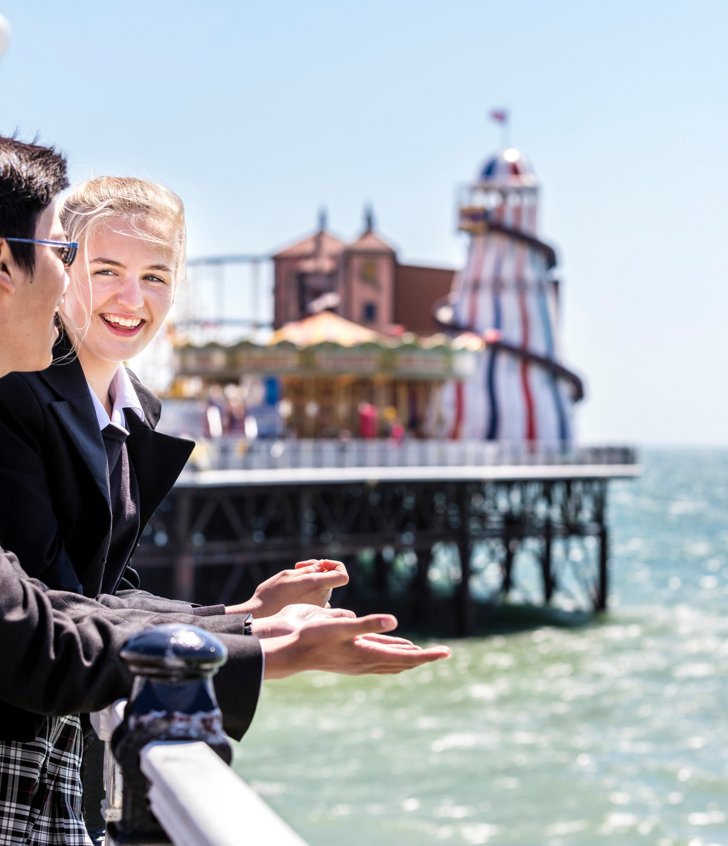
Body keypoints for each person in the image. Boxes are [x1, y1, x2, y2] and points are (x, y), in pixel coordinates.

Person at [0, 135, 451, 843]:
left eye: (155, 276)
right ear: (43, 266)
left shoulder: (133, 410)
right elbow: (43, 616)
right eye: (99, 267)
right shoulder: (18, 395)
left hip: (55, 738)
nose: (130, 297)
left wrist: (241, 613)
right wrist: (266, 644)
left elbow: (88, 598)